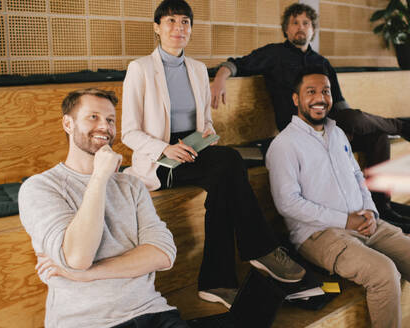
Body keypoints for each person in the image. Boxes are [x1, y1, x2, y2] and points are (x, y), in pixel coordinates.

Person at [121, 0, 305, 309]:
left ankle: (216, 284)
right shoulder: (139, 69)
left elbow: (205, 121)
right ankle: (259, 248)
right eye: (171, 21)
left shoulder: (195, 70)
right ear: (157, 27)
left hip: (193, 150)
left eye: (185, 22)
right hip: (159, 159)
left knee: (224, 179)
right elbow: (128, 132)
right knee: (230, 165)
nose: (179, 28)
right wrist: (166, 148)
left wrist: (206, 135)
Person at [211, 3, 410, 225]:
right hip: (298, 133)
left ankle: (382, 207)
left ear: (313, 29)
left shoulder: (322, 62)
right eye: (295, 23)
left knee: (376, 137)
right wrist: (220, 79)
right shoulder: (273, 54)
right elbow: (237, 64)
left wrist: (349, 129)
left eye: (306, 23)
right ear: (286, 30)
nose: (300, 27)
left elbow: (340, 104)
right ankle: (399, 126)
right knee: (358, 122)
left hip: (332, 129)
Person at [265, 65, 410, 328]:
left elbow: (358, 177)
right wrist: (345, 220)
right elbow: (287, 203)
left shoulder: (337, 133)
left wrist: (371, 211)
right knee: (384, 273)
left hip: (366, 222)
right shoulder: (284, 145)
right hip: (319, 234)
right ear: (296, 99)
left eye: (325, 91)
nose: (320, 97)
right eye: (311, 91)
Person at [18, 88, 188, 328]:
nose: (104, 126)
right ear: (68, 123)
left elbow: (162, 253)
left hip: (153, 312)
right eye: (93, 117)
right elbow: (77, 257)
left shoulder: (131, 185)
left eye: (110, 120)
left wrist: (86, 275)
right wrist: (99, 177)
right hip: (87, 322)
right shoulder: (40, 187)